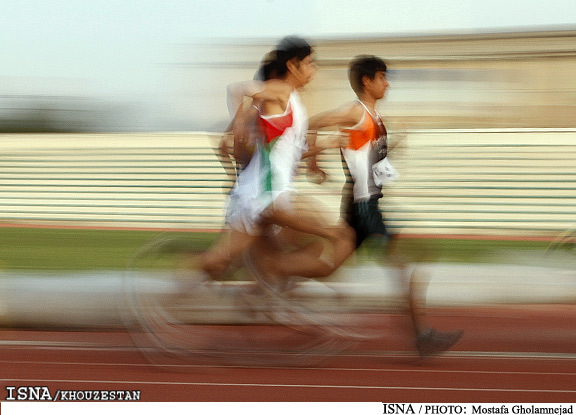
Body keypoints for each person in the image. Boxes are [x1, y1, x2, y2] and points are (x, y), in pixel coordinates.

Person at [307, 55, 463, 358]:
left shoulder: (375, 119)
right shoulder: (354, 112)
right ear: (367, 81)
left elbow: (372, 162)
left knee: (327, 266)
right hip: (363, 207)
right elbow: (312, 122)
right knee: (404, 266)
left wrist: (395, 146)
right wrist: (314, 163)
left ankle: (278, 273)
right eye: (382, 77)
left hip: (367, 204)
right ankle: (423, 337)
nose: (387, 82)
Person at [199, 36, 354, 286]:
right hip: (266, 195)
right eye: (310, 63)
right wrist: (239, 125)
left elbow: (290, 152)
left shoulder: (293, 102)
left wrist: (327, 144)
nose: (314, 70)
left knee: (220, 262)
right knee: (336, 236)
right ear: (293, 65)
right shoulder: (281, 91)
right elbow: (236, 89)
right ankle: (271, 279)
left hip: (260, 194)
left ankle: (181, 279)